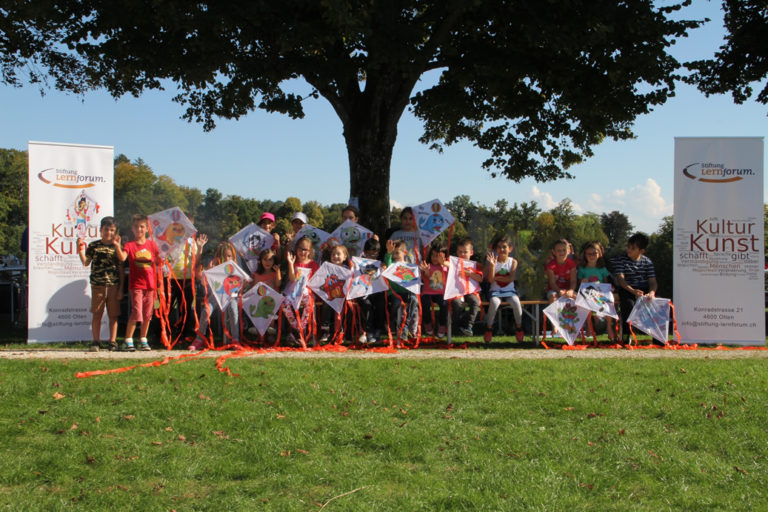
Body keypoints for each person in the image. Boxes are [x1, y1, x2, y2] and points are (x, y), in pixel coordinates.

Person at [76, 217, 127, 351]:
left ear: (115, 232)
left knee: (113, 314)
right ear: (100, 230)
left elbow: (122, 262)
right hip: (98, 285)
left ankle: (112, 341)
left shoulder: (117, 247)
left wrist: (121, 288)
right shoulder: (94, 246)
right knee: (97, 313)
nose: (108, 233)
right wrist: (80, 249)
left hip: (113, 285)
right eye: (106, 229)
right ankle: (96, 341)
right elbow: (86, 262)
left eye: (112, 230)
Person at [189, 241, 242, 350]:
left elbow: (242, 282)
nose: (227, 259)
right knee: (205, 311)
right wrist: (209, 270)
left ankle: (235, 340)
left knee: (233, 311)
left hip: (230, 296)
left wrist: (244, 283)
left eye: (229, 256)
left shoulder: (235, 268)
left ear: (233, 257)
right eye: (223, 256)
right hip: (215, 297)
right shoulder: (214, 268)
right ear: (218, 257)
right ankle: (199, 339)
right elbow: (204, 282)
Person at [122, 214, 160, 351]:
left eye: (142, 227)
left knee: (147, 314)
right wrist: (116, 245)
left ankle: (143, 339)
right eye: (136, 227)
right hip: (136, 285)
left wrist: (165, 254)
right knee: (137, 312)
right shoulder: (130, 245)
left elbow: (157, 261)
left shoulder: (152, 245)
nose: (139, 229)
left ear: (147, 229)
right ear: (132, 229)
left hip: (150, 286)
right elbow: (122, 258)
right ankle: (128, 340)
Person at [168, 213, 208, 341]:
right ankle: (166, 332)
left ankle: (183, 333)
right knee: (167, 307)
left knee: (185, 307)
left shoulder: (192, 243)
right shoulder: (170, 240)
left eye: (188, 225)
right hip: (171, 279)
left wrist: (200, 248)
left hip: (187, 280)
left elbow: (196, 261)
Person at [613, 232, 657, 343]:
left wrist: (651, 293)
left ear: (641, 251)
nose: (629, 250)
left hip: (644, 289)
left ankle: (658, 337)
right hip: (627, 289)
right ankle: (627, 334)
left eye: (633, 248)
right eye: (628, 247)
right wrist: (633, 291)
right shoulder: (621, 260)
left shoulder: (647, 262)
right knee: (628, 305)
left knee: (657, 304)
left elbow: (653, 282)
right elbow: (620, 279)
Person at [484, 236, 524, 343]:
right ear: (496, 249)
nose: (502, 250)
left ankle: (519, 328)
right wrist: (492, 266)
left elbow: (511, 278)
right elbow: (491, 280)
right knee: (494, 303)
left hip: (509, 291)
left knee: (516, 302)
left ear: (510, 249)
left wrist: (497, 277)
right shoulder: (493, 262)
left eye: (504, 247)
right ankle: (489, 328)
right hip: (495, 291)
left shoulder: (513, 262)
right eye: (499, 247)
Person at [577, 241, 616, 341]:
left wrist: (608, 287)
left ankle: (609, 326)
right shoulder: (582, 269)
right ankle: (589, 327)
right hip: (587, 294)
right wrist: (583, 281)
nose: (592, 256)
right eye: (589, 254)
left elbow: (606, 284)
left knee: (609, 300)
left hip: (599, 293)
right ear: (585, 255)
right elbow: (579, 283)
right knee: (586, 304)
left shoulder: (602, 268)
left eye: (594, 253)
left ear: (599, 254)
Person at [284, 235, 320, 344]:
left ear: (309, 251)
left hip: (307, 293)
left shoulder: (313, 264)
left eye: (305, 249)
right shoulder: (294, 263)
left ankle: (300, 331)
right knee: (284, 303)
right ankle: (297, 329)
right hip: (294, 292)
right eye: (300, 249)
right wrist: (290, 263)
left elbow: (316, 282)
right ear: (296, 249)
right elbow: (292, 279)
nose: (303, 252)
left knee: (309, 303)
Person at [384, 239, 420, 346]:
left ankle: (405, 326)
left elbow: (414, 281)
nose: (395, 255)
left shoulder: (411, 266)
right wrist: (388, 253)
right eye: (393, 253)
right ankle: (395, 325)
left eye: (397, 253)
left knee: (414, 299)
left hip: (407, 293)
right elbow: (387, 261)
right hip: (394, 293)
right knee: (397, 303)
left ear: (404, 252)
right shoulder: (392, 265)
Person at [318, 244, 350, 343]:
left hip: (342, 296)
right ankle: (325, 330)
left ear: (345, 256)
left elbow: (351, 281)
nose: (335, 256)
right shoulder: (327, 268)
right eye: (333, 254)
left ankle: (342, 333)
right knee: (327, 305)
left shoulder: (347, 268)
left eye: (338, 254)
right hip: (330, 295)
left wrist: (352, 269)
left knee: (344, 309)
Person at [356, 238, 386, 344]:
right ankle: (369, 332)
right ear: (364, 252)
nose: (372, 257)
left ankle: (378, 330)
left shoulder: (380, 263)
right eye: (370, 254)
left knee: (381, 303)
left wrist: (384, 268)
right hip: (362, 292)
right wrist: (352, 267)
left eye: (375, 255)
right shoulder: (358, 263)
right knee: (366, 305)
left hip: (376, 291)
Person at [453, 238, 483, 337]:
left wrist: (470, 274)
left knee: (475, 302)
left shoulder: (475, 265)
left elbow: (480, 278)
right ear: (457, 252)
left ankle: (468, 325)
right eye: (460, 252)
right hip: (458, 292)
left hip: (471, 292)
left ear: (471, 252)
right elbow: (446, 265)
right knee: (456, 303)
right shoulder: (454, 263)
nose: (462, 254)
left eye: (465, 252)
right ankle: (457, 324)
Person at [419, 241, 449, 338]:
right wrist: (426, 272)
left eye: (438, 256)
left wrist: (443, 263)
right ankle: (427, 324)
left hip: (440, 293)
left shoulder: (445, 267)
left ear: (444, 257)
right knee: (425, 304)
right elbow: (427, 276)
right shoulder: (428, 265)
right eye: (433, 255)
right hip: (428, 292)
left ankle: (442, 325)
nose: (435, 258)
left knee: (444, 305)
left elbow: (453, 267)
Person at [545, 238, 577, 303]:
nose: (561, 252)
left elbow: (573, 280)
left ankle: (573, 313)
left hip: (568, 289)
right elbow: (552, 283)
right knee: (553, 298)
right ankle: (554, 313)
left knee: (577, 298)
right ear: (554, 252)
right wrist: (559, 291)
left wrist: (571, 290)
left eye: (564, 250)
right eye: (559, 250)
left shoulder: (572, 264)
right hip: (554, 290)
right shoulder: (551, 266)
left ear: (569, 251)